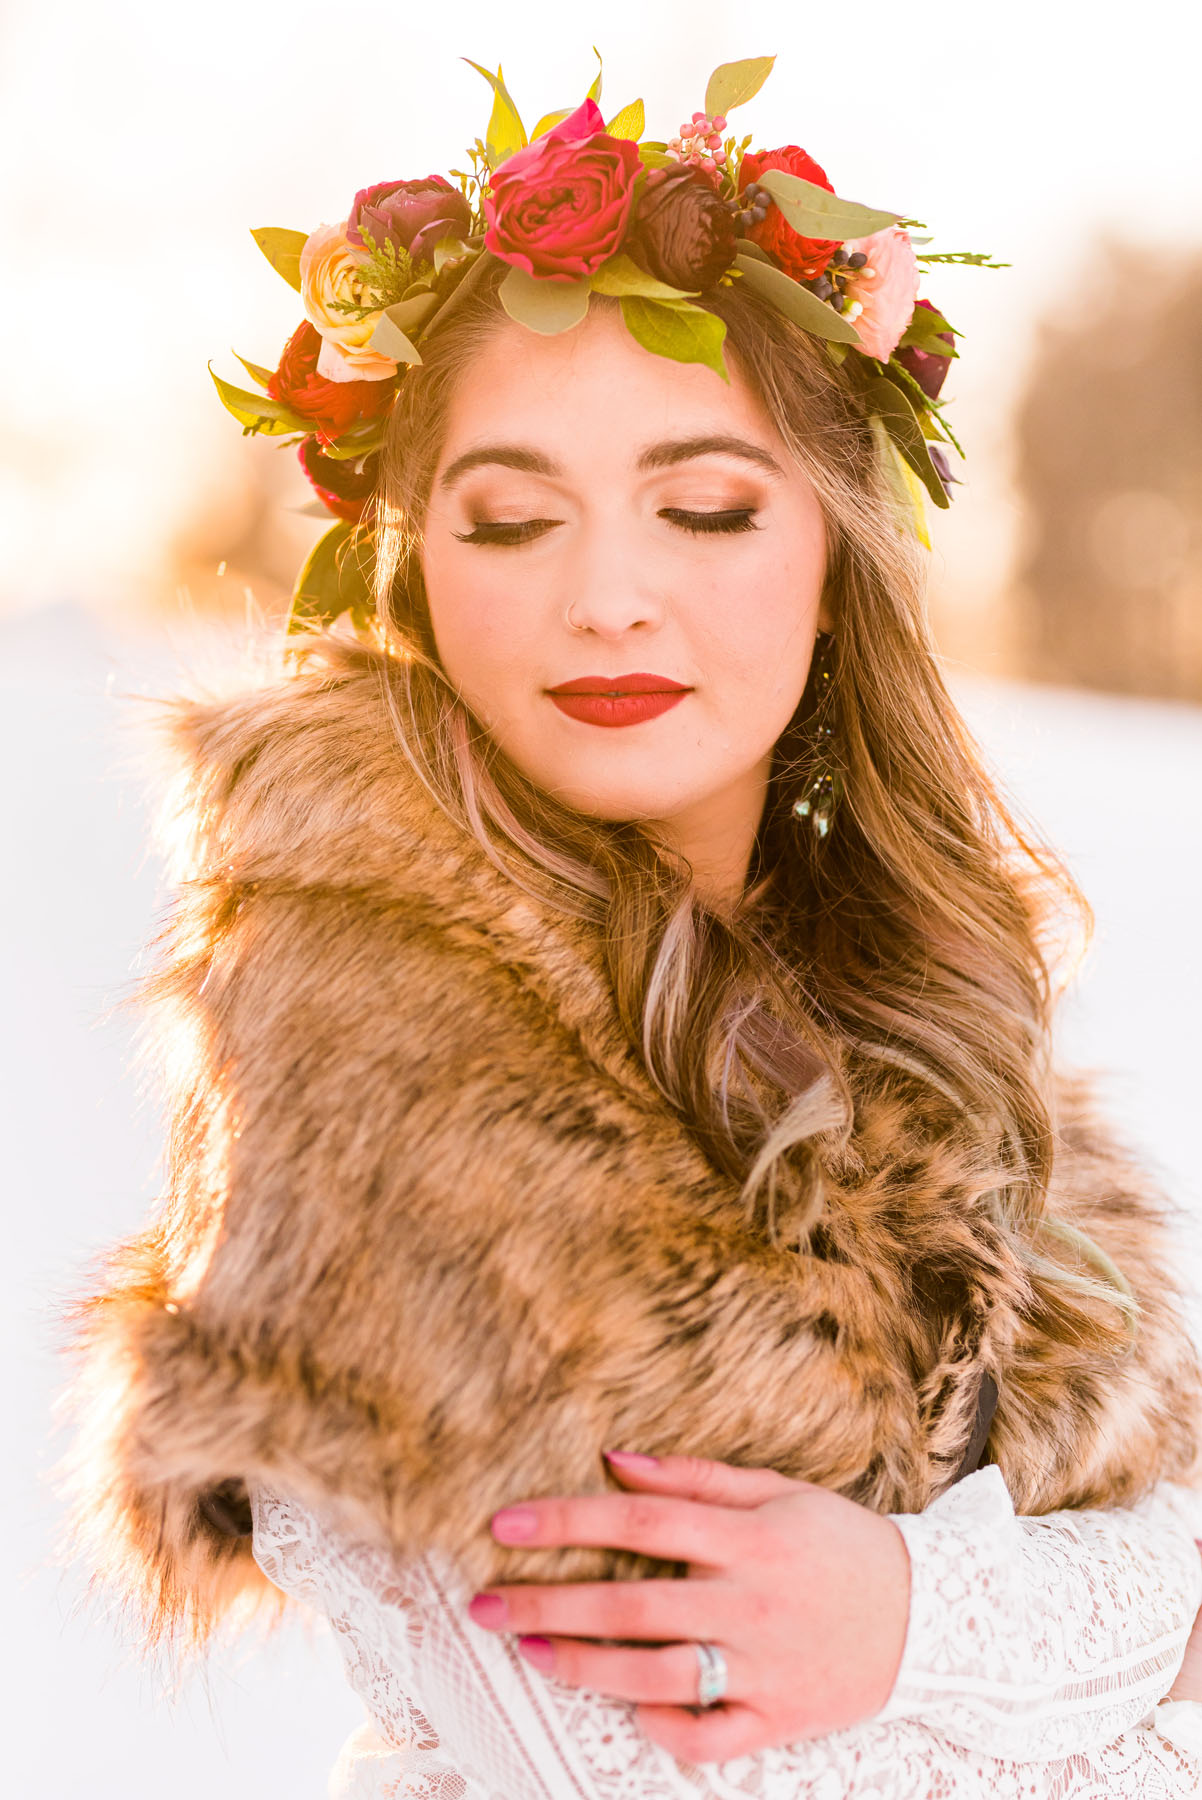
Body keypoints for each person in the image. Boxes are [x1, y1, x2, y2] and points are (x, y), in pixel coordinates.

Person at [58, 53, 1202, 1798]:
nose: (604, 596)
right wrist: (1099, 1638)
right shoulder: (362, 1042)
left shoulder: (912, 1019)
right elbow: (673, 1758)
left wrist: (913, 1619)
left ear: (833, 555)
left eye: (704, 507)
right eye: (512, 518)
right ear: (414, 566)